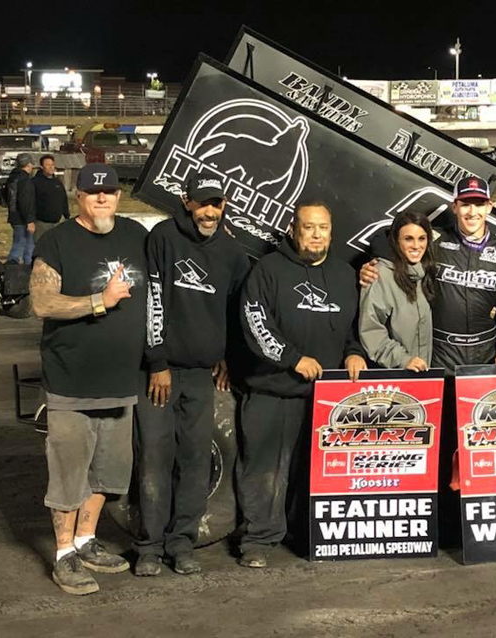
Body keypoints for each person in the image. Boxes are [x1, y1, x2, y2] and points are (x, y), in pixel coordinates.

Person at [29, 163, 149, 595]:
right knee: (68, 474)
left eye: (109, 192)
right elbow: (42, 303)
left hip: (121, 381)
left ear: (118, 196)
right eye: (93, 192)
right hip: (71, 382)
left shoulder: (136, 235)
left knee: (108, 473)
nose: (102, 198)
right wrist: (100, 300)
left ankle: (86, 540)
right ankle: (64, 554)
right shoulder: (57, 240)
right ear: (78, 195)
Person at [237, 201, 367, 568]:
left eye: (322, 227)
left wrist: (354, 353)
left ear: (331, 232)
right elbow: (255, 322)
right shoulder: (267, 270)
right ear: (294, 230)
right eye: (308, 227)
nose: (316, 234)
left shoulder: (344, 274)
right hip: (273, 389)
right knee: (264, 470)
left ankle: (303, 535)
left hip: (326, 397)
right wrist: (292, 358)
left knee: (311, 472)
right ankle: (258, 540)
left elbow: (354, 329)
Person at [134, 171, 250, 577]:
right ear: (187, 202)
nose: (209, 212)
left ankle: (181, 544)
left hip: (202, 376)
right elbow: (152, 300)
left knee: (196, 461)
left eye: (216, 203)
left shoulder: (232, 252)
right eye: (203, 203)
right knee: (153, 459)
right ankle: (149, 546)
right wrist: (157, 362)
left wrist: (228, 356)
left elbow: (237, 311)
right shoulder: (163, 237)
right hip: (159, 375)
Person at [360, 174, 496, 374]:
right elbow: (391, 238)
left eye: (479, 204)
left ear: (489, 207)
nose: (472, 212)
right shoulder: (436, 240)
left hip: (486, 354)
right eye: (465, 204)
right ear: (454, 207)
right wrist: (374, 263)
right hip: (438, 353)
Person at [359, 210, 436, 371]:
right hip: (394, 375)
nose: (416, 246)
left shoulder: (425, 272)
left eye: (422, 238)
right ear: (395, 240)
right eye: (408, 239)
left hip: (423, 373)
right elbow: (371, 330)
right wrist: (403, 359)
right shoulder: (379, 274)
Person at [6, 153, 37, 265]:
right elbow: (25, 201)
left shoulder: (12, 177)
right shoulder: (25, 180)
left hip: (14, 215)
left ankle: (28, 267)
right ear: (28, 164)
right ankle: (11, 267)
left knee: (28, 245)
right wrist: (29, 220)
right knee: (20, 245)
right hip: (22, 218)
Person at [33, 155, 70, 242]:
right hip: (41, 223)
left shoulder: (57, 182)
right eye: (47, 165)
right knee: (41, 246)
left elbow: (63, 199)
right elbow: (30, 202)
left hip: (57, 222)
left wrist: (66, 215)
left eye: (52, 164)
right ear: (42, 167)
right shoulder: (35, 182)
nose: (51, 167)